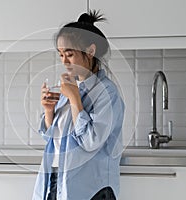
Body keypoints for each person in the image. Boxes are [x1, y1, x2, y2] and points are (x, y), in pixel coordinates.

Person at [33, 10, 125, 200]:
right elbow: (53, 138)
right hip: (56, 178)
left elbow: (91, 141)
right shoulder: (70, 87)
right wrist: (49, 111)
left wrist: (75, 99)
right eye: (60, 55)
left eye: (69, 54)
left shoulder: (107, 93)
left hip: (91, 187)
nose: (64, 61)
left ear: (90, 52)